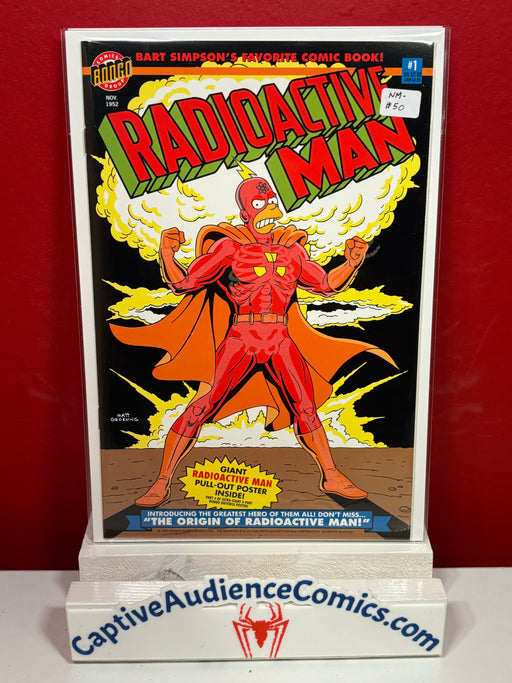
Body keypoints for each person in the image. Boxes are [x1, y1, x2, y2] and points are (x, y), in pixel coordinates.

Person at [111, 177, 393, 507]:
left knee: (305, 407)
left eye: (271, 201)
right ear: (245, 213)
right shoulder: (229, 250)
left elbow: (327, 285)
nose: (268, 209)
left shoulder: (292, 253)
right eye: (259, 204)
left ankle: (331, 475)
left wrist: (352, 263)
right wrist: (167, 255)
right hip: (241, 337)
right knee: (202, 406)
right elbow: (184, 283)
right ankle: (161, 483)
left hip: (280, 339)